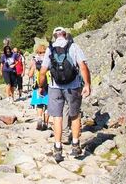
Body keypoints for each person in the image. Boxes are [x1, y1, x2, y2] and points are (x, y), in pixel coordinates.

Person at [38, 27, 91, 162]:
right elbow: (83, 66)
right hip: (73, 86)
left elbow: (43, 71)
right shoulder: (73, 46)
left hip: (55, 87)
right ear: (65, 35)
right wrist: (87, 84)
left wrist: (41, 86)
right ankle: (75, 144)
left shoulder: (50, 49)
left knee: (57, 116)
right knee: (74, 115)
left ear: (55, 36)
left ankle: (57, 147)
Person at [29, 44, 49, 130]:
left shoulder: (35, 60)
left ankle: (40, 118)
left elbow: (30, 74)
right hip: (49, 86)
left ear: (37, 51)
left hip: (37, 86)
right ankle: (46, 123)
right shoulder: (49, 59)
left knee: (39, 105)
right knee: (48, 106)